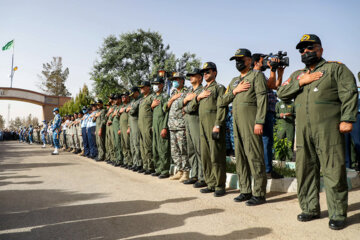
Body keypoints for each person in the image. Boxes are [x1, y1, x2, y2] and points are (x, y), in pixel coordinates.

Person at [277, 34, 358, 230]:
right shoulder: (298, 74)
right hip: (303, 131)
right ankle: (309, 208)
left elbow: (349, 92)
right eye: (302, 50)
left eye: (309, 48)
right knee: (304, 170)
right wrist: (301, 82)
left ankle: (338, 213)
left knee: (333, 170)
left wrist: (347, 119)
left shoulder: (335, 68)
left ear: (320, 49)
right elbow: (281, 92)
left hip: (328, 129)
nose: (305, 52)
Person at [218, 49, 268, 205]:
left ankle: (259, 193)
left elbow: (262, 99)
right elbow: (222, 100)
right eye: (236, 60)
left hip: (250, 121)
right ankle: (245, 190)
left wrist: (259, 121)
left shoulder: (256, 76)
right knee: (240, 157)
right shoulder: (234, 81)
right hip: (236, 123)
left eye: (241, 59)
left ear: (249, 61)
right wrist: (235, 90)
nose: (238, 62)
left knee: (254, 156)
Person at [188, 62, 227, 197]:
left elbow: (222, 107)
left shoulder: (219, 88)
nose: (205, 74)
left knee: (216, 156)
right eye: (203, 72)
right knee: (205, 156)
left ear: (214, 73)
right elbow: (190, 108)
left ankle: (220, 185)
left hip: (213, 124)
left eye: (208, 72)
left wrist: (218, 125)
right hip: (202, 126)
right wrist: (198, 97)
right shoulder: (202, 90)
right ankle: (210, 183)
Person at [252, 53, 285, 179]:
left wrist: (279, 73)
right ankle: (267, 171)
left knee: (268, 142)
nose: (266, 62)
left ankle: (268, 169)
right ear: (256, 63)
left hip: (268, 112)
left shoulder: (262, 75)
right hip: (262, 113)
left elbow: (275, 86)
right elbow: (270, 86)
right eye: (263, 60)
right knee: (265, 142)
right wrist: (273, 70)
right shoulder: (255, 75)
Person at [182, 67, 206, 187]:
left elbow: (190, 108)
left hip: (196, 121)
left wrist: (186, 106)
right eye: (190, 76)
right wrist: (186, 102)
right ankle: (194, 174)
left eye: (193, 75)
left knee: (199, 149)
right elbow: (182, 105)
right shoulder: (190, 91)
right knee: (191, 149)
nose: (190, 77)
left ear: (200, 78)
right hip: (188, 122)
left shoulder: (202, 90)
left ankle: (203, 177)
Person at [164, 72, 190, 182]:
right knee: (174, 150)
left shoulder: (187, 91)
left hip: (181, 125)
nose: (174, 81)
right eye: (173, 79)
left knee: (183, 149)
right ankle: (179, 170)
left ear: (182, 81)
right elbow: (165, 108)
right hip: (172, 125)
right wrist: (172, 99)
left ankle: (186, 172)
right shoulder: (173, 92)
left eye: (177, 79)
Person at [151, 77, 171, 178]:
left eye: (157, 83)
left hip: (161, 125)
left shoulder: (164, 97)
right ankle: (158, 169)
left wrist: (164, 127)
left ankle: (165, 170)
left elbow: (167, 113)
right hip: (154, 126)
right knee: (155, 148)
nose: (155, 86)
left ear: (162, 85)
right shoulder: (154, 97)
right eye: (154, 84)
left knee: (163, 148)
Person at [138, 81, 155, 174]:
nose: (141, 89)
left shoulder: (152, 97)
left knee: (148, 145)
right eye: (141, 87)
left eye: (143, 87)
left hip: (147, 124)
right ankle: (145, 165)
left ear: (148, 87)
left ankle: (151, 166)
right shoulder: (141, 99)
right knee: (142, 146)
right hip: (141, 125)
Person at [127, 87, 143, 172]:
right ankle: (135, 162)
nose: (132, 96)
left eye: (133, 94)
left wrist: (129, 109)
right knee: (132, 144)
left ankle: (139, 163)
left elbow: (132, 111)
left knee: (137, 144)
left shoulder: (139, 100)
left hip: (136, 124)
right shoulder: (133, 101)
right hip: (132, 125)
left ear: (137, 92)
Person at [119, 92, 131, 168]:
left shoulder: (129, 105)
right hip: (122, 128)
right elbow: (118, 117)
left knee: (128, 145)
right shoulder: (122, 107)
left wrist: (129, 127)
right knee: (123, 145)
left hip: (127, 127)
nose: (123, 98)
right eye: (122, 97)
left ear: (128, 97)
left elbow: (130, 117)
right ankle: (126, 161)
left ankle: (130, 162)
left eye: (124, 96)